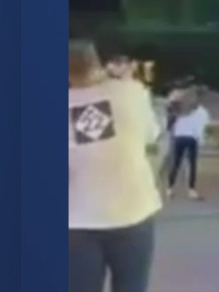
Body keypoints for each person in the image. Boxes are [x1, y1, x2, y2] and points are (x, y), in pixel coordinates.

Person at [68, 40, 163, 292]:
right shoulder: (132, 92)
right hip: (133, 212)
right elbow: (151, 135)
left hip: (77, 222)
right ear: (97, 63)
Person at [166, 95, 210, 199]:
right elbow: (204, 125)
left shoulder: (178, 109)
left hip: (179, 138)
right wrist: (201, 139)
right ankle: (191, 190)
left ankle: (170, 188)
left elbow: (169, 125)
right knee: (192, 165)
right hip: (192, 139)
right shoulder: (202, 111)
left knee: (176, 163)